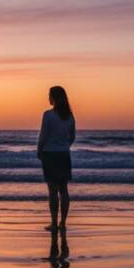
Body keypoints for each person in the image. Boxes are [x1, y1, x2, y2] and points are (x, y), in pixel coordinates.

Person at [37, 86, 75, 233]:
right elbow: (72, 136)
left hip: (50, 154)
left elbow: (43, 135)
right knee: (64, 190)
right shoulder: (69, 116)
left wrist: (39, 150)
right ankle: (63, 223)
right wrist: (65, 146)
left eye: (49, 95)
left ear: (54, 97)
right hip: (64, 154)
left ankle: (54, 223)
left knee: (53, 191)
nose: (48, 98)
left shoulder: (48, 115)